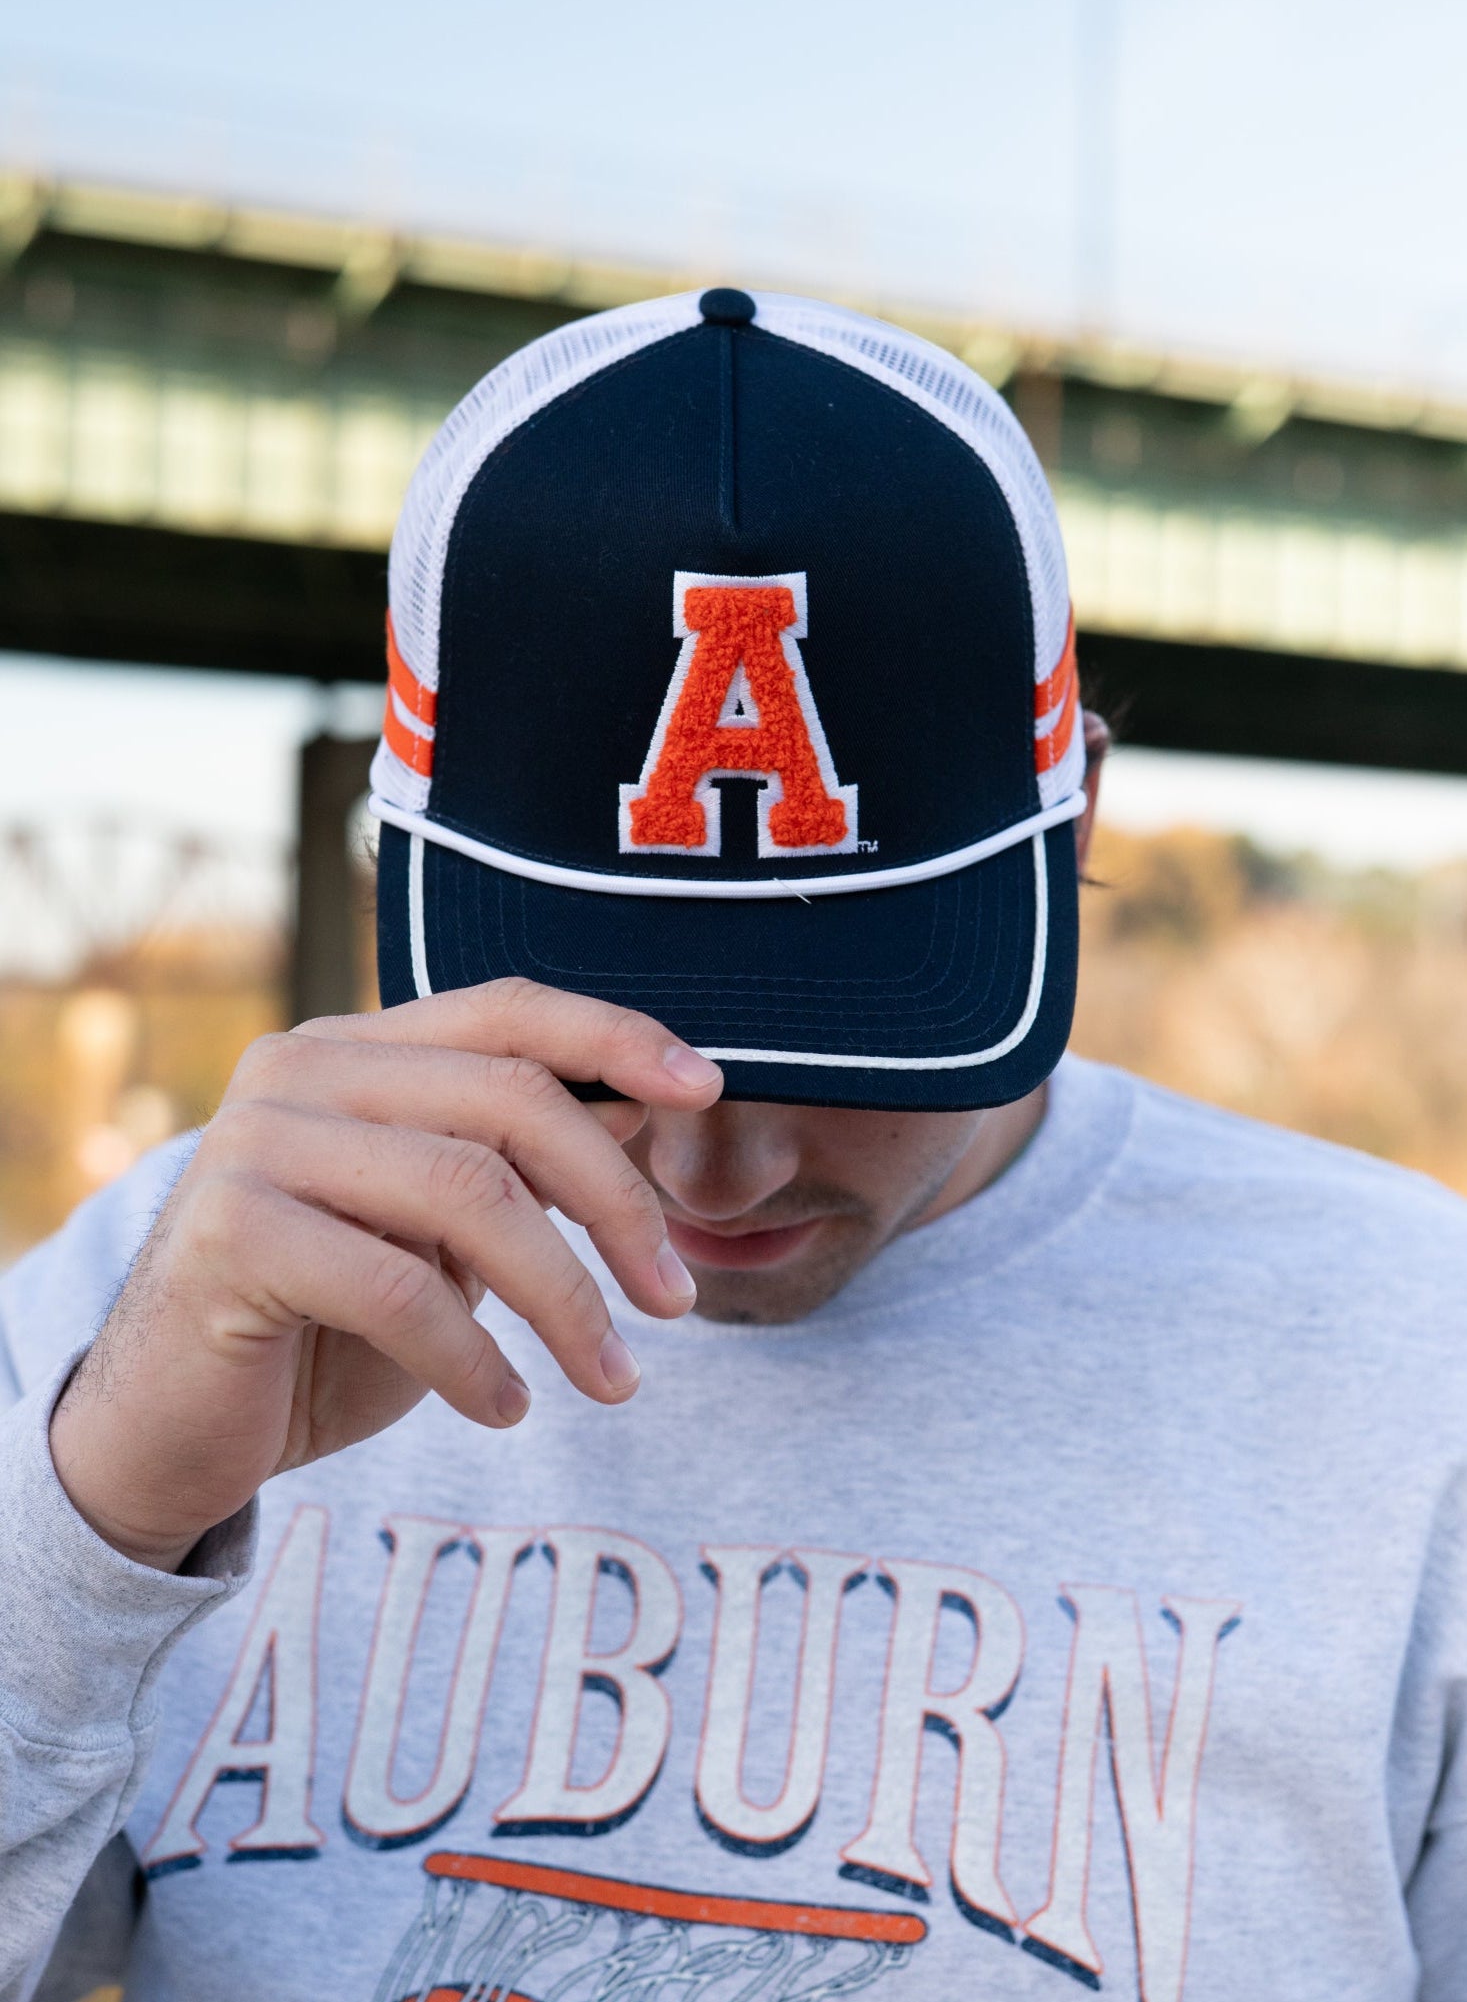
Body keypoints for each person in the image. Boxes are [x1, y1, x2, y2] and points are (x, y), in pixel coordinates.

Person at [2, 288, 1465, 2002]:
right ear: (393, 861)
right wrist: (91, 1542)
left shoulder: (1412, 1359)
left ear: (1073, 824)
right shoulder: (170, 1296)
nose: (710, 1176)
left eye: (855, 1033)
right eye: (596, 1058)